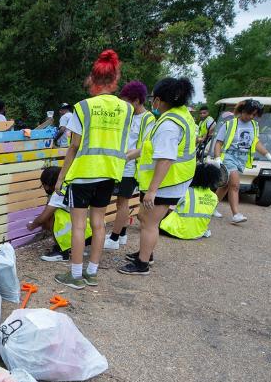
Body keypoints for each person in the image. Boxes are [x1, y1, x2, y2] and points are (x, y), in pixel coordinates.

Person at [52, 49, 133, 289]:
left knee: (79, 225)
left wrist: (61, 177)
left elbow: (74, 146)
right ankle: (92, 273)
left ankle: (75, 276)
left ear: (94, 79)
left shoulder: (83, 107)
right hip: (109, 173)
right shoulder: (126, 109)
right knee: (99, 223)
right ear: (115, 79)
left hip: (84, 172)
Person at [118, 77, 197, 275]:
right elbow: (149, 148)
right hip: (171, 179)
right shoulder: (179, 114)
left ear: (159, 100)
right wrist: (127, 156)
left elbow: (166, 159)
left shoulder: (169, 125)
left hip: (169, 181)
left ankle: (143, 263)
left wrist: (152, 191)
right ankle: (145, 252)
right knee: (144, 216)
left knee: (150, 222)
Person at [105, 80, 155, 250]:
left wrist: (124, 158)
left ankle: (113, 238)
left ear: (136, 101)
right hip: (121, 165)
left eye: (127, 102)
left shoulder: (148, 119)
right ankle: (123, 234)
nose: (124, 105)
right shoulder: (129, 115)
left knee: (122, 203)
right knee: (121, 202)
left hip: (131, 168)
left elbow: (144, 148)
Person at [212, 98, 271, 224]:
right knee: (235, 184)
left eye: (254, 115)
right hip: (229, 157)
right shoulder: (229, 124)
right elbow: (218, 143)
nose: (251, 117)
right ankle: (236, 214)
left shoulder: (254, 126)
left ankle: (210, 207)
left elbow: (255, 142)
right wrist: (218, 158)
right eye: (249, 113)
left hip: (241, 159)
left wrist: (268, 155)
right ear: (242, 110)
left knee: (225, 186)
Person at [28, 166, 92, 261]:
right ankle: (75, 247)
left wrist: (32, 226)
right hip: (89, 232)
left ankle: (62, 252)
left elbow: (43, 218)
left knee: (52, 215)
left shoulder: (58, 193)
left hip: (79, 232)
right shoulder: (71, 186)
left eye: (43, 185)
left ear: (47, 184)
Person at [160, 163, 220, 239]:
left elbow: (169, 208)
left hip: (175, 231)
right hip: (197, 233)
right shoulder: (214, 197)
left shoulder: (186, 191)